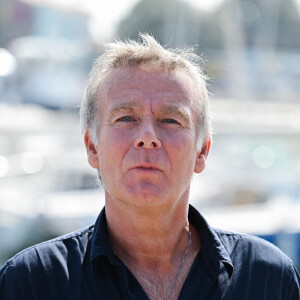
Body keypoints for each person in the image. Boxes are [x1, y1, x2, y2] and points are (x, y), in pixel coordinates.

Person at [0, 34, 299, 300]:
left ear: (202, 151)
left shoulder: (268, 278)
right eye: (125, 118)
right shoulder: (32, 282)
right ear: (92, 147)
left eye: (170, 120)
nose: (147, 138)